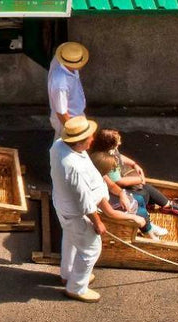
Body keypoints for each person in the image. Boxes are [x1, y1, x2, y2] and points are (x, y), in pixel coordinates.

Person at [50, 115, 145, 303]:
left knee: (70, 240)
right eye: (89, 138)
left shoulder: (59, 145)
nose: (92, 140)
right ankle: (76, 287)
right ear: (78, 143)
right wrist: (98, 222)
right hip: (76, 213)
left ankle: (68, 274)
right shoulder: (73, 167)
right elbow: (84, 201)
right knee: (91, 249)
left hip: (63, 205)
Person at [90, 128, 178, 222]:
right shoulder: (106, 161)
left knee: (144, 189)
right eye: (117, 142)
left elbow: (119, 156)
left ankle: (163, 204)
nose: (120, 143)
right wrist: (140, 179)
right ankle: (166, 206)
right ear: (109, 145)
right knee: (145, 192)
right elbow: (118, 182)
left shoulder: (112, 151)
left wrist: (133, 164)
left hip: (117, 187)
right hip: (114, 192)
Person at [48, 41, 89, 141]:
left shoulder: (64, 61)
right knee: (67, 147)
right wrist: (73, 131)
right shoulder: (61, 84)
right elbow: (61, 112)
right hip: (69, 119)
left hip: (76, 114)